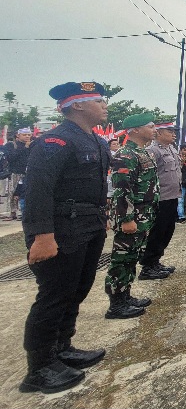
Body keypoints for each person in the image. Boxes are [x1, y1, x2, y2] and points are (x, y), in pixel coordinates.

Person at [19, 82, 110, 393]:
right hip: (62, 229)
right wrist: (42, 235)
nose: (104, 105)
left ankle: (62, 347)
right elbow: (38, 190)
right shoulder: (55, 141)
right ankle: (39, 368)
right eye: (98, 101)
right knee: (54, 296)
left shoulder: (95, 141)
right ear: (78, 105)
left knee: (77, 289)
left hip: (89, 224)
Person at [105, 113, 159, 319]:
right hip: (131, 216)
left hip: (143, 215)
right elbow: (122, 190)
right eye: (150, 126)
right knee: (122, 259)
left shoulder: (143, 153)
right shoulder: (125, 155)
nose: (154, 130)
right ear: (135, 130)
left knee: (132, 257)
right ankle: (116, 303)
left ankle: (126, 295)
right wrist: (127, 219)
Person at [139, 122, 180, 280]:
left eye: (173, 131)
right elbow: (147, 176)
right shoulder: (152, 151)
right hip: (160, 198)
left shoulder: (171, 148)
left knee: (167, 230)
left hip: (172, 195)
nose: (173, 134)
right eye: (169, 131)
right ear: (159, 133)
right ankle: (148, 266)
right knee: (157, 231)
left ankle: (155, 261)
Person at [3, 127, 32, 221]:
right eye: (25, 135)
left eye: (29, 134)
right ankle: (12, 212)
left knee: (26, 193)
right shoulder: (11, 145)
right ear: (18, 135)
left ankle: (24, 212)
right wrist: (25, 148)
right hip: (15, 173)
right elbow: (11, 158)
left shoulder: (33, 144)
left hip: (28, 173)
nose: (27, 136)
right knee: (13, 193)